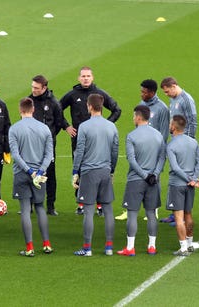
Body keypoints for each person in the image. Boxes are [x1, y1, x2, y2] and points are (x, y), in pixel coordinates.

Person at [60, 67, 121, 215]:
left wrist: (107, 125)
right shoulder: (73, 94)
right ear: (79, 78)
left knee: (100, 169)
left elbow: (117, 110)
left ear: (92, 77)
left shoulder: (99, 94)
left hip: (99, 140)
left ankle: (100, 205)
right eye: (83, 76)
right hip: (79, 138)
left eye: (88, 76)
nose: (85, 78)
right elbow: (57, 109)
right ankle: (81, 204)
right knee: (80, 169)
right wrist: (66, 126)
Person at [72, 94, 119, 257]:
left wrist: (75, 172)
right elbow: (115, 151)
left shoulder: (84, 126)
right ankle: (109, 247)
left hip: (89, 172)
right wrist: (111, 170)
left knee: (88, 211)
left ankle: (87, 248)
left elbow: (80, 152)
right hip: (105, 171)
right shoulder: (112, 126)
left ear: (89, 106)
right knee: (108, 210)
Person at [118, 79, 170, 222]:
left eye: (144, 92)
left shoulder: (162, 109)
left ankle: (153, 210)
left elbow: (164, 132)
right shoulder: (141, 105)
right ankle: (129, 209)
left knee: (154, 175)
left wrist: (161, 151)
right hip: (139, 147)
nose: (141, 94)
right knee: (134, 173)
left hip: (155, 148)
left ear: (152, 93)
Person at [117, 105, 166, 256]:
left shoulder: (132, 136)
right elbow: (162, 157)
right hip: (153, 181)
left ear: (138, 117)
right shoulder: (158, 135)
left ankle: (130, 248)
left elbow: (131, 160)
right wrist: (155, 174)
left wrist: (144, 175)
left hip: (135, 180)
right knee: (151, 214)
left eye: (133, 116)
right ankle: (152, 246)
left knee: (132, 214)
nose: (133, 119)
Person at [9, 98, 55, 257]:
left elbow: (15, 154)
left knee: (25, 210)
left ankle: (29, 248)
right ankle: (46, 244)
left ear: (20, 110)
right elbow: (49, 154)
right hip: (40, 176)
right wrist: (40, 172)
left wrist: (29, 171)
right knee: (40, 207)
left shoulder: (14, 129)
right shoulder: (44, 129)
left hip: (22, 174)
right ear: (33, 109)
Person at [165, 115, 199, 256]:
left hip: (177, 184)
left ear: (174, 127)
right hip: (190, 186)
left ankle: (183, 247)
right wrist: (193, 179)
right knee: (188, 214)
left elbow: (175, 168)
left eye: (170, 124)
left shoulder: (171, 145)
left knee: (178, 216)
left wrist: (188, 178)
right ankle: (189, 242)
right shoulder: (193, 142)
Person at [29, 75, 64, 216]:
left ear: (44, 88)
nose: (33, 90)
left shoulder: (54, 103)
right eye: (32, 87)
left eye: (36, 88)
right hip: (31, 145)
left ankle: (50, 206)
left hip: (48, 146)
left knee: (50, 174)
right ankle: (30, 204)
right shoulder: (29, 100)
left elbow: (59, 122)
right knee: (31, 173)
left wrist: (49, 136)